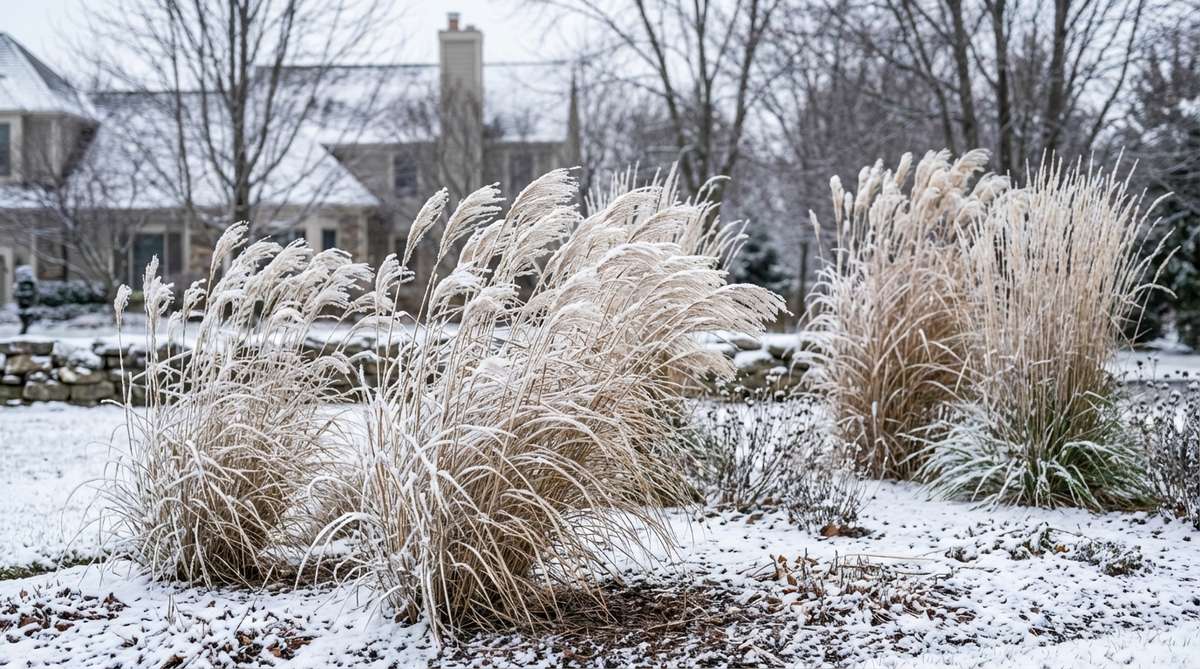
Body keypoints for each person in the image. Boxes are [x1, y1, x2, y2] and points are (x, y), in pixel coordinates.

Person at [13, 265, 37, 335]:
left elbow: (34, 293)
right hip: (22, 305)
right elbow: (16, 294)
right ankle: (24, 329)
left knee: (27, 318)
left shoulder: (30, 284)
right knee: (23, 318)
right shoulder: (19, 285)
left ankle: (24, 329)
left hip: (27, 305)